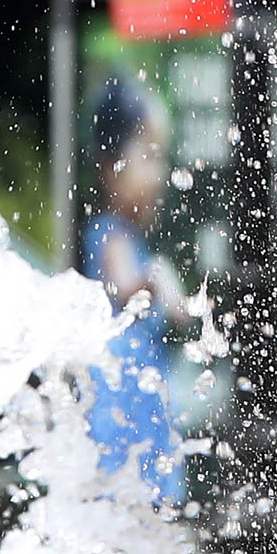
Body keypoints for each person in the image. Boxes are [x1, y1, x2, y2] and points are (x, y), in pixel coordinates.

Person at [82, 76, 191, 509]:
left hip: (139, 400)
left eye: (160, 158)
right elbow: (124, 287)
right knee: (125, 503)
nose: (159, 174)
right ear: (112, 168)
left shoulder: (131, 239)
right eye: (148, 157)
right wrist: (156, 280)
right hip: (119, 403)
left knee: (142, 514)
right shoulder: (111, 235)